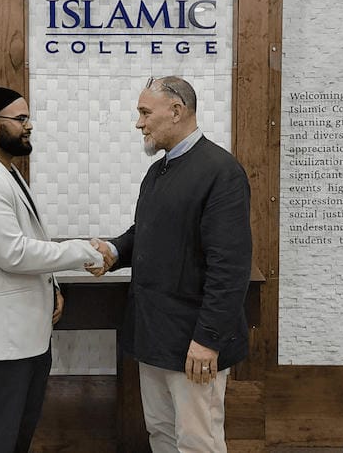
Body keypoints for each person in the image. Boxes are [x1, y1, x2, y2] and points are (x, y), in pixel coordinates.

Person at [0, 86, 111, 453]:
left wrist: (52, 287)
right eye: (20, 119)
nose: (29, 125)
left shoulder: (4, 172)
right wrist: (83, 251)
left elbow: (29, 240)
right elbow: (14, 253)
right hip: (1, 340)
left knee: (16, 438)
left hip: (22, 336)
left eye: (28, 118)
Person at [100, 76, 253, 452]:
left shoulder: (221, 172)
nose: (139, 123)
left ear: (176, 110)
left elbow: (230, 266)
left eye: (144, 113)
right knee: (162, 435)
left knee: (198, 442)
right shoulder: (158, 171)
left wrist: (208, 340)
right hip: (154, 339)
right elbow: (146, 233)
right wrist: (113, 251)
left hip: (194, 344)